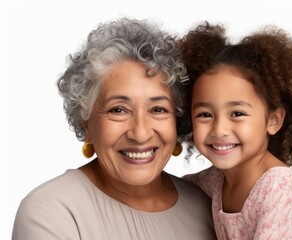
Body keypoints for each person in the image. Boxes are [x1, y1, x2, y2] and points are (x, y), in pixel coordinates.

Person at [12, 17, 216, 240]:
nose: (140, 133)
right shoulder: (51, 212)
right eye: (118, 110)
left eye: (158, 109)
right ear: (86, 123)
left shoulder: (207, 206)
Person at [177, 22, 292, 239]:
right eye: (205, 115)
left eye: (237, 113)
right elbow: (173, 191)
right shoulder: (216, 180)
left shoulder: (278, 191)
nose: (220, 129)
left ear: (273, 120)